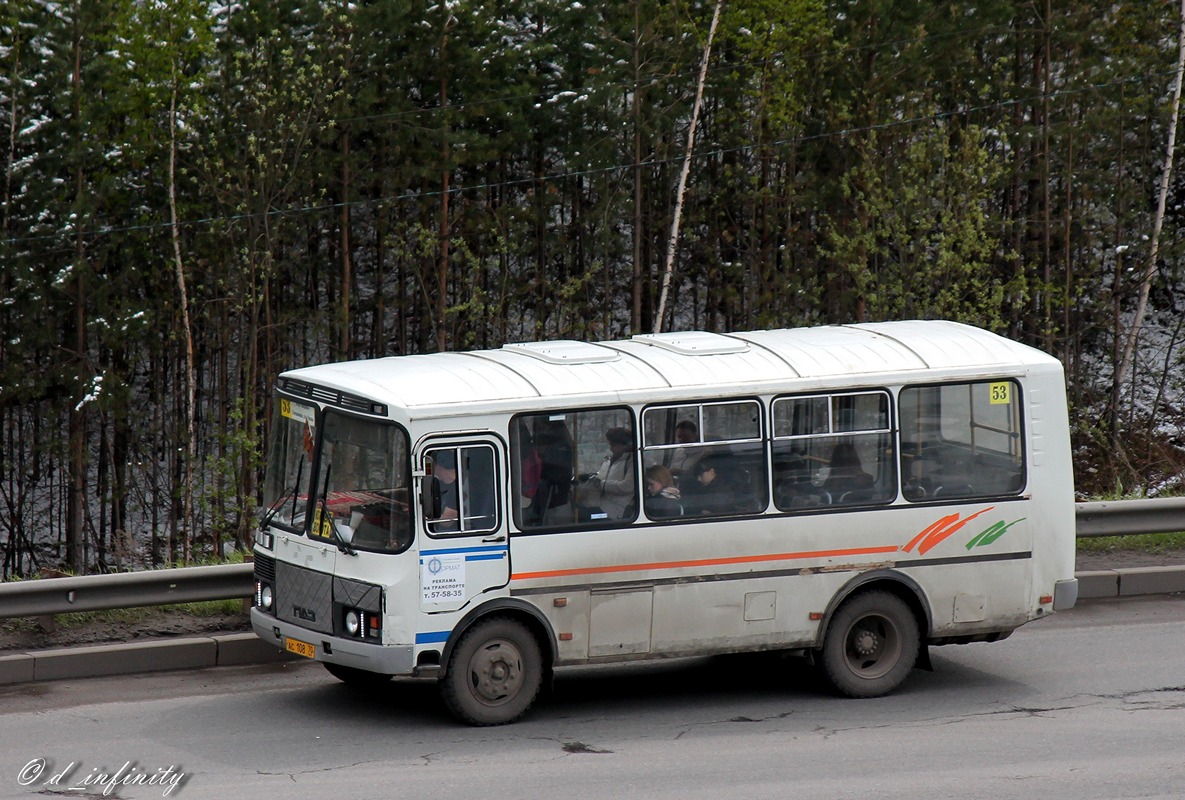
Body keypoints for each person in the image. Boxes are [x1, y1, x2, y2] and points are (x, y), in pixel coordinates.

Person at [586, 427, 635, 520]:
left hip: (617, 510)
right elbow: (603, 477)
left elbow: (628, 486)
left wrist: (602, 484)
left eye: (613, 445)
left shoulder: (632, 461)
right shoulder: (610, 460)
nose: (611, 448)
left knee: (582, 517)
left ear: (624, 444)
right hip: (602, 504)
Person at [427, 450, 460, 532]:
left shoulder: (457, 488)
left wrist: (421, 517)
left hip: (444, 534)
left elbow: (447, 521)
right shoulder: (435, 482)